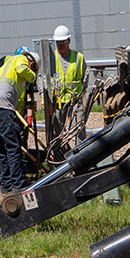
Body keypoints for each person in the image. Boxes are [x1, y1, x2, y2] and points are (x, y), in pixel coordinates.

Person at [0, 46, 38, 192]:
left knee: (1, 150)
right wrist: (33, 77)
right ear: (32, 64)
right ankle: (18, 186)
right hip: (1, 107)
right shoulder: (20, 59)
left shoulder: (8, 72)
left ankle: (6, 187)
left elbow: (17, 105)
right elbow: (22, 69)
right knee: (13, 148)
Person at [47, 25, 87, 161]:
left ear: (69, 41)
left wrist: (83, 99)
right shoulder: (51, 59)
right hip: (57, 101)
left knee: (79, 127)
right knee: (56, 132)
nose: (60, 44)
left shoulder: (79, 58)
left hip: (75, 100)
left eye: (63, 42)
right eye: (58, 42)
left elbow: (84, 79)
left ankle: (80, 157)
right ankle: (59, 158)